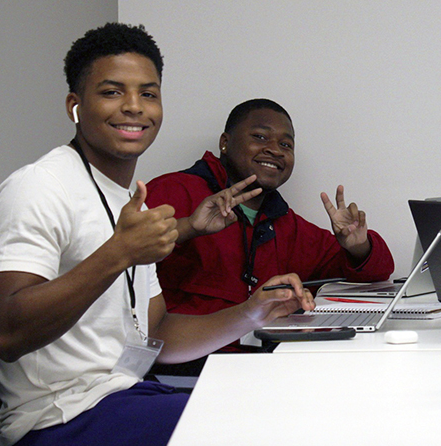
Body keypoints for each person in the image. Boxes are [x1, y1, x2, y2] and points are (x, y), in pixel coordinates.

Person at [0, 23, 314, 446]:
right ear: (75, 107)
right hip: (56, 423)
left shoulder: (128, 200)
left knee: (288, 403)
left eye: (149, 93)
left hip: (127, 395)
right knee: (259, 434)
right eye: (112, 92)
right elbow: (6, 334)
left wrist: (251, 314)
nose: (135, 107)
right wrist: (119, 253)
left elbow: (157, 334)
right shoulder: (39, 187)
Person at [145, 98, 395, 327]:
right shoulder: (174, 190)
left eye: (286, 144)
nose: (276, 150)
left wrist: (358, 246)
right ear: (225, 143)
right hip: (184, 366)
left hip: (264, 361)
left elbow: (376, 274)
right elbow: (124, 258)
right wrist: (188, 227)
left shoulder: (288, 225)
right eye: (260, 137)